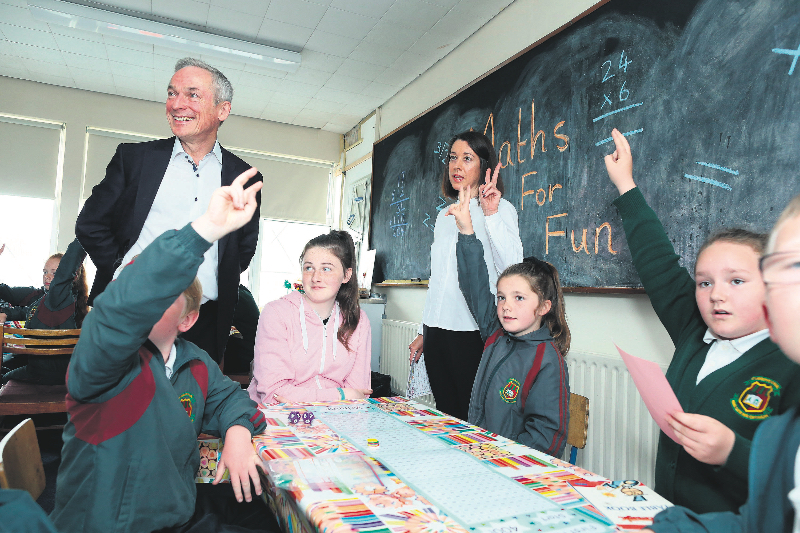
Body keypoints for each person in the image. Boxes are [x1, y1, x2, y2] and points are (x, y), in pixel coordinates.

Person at [51, 171, 270, 533]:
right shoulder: (105, 361)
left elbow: (233, 399)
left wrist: (237, 432)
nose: (145, 299)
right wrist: (205, 230)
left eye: (162, 295)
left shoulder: (195, 361)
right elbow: (121, 309)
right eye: (141, 290)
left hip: (176, 516)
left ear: (188, 319)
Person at [603, 128, 800, 514]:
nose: (716, 295)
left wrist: (732, 452)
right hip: (673, 518)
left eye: (736, 281)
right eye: (704, 282)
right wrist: (626, 184)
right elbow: (657, 261)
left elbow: (791, 478)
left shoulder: (789, 363)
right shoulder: (695, 329)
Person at [75, 57, 263, 364]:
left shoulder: (244, 177)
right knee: (117, 393)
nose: (177, 104)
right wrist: (124, 270)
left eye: (192, 94)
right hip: (130, 309)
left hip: (204, 321)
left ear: (222, 110)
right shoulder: (134, 159)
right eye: (172, 93)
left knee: (194, 395)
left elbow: (241, 251)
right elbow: (90, 223)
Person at [408, 131, 523, 421]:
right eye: (453, 158)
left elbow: (513, 268)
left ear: (484, 166)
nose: (457, 165)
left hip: (472, 332)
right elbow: (438, 281)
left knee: (472, 421)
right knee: (446, 417)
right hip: (437, 332)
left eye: (467, 158)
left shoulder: (500, 208)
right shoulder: (443, 216)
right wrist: (424, 329)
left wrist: (491, 214)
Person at [448, 183, 570, 455]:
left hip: (512, 467)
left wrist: (500, 456)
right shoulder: (496, 332)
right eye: (502, 297)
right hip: (479, 454)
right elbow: (475, 283)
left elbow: (546, 438)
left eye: (519, 298)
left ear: (544, 306)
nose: (506, 306)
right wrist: (466, 230)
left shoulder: (548, 361)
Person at [248, 230, 372, 405]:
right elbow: (273, 395)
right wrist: (341, 394)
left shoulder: (358, 320)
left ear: (346, 275)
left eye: (326, 269)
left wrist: (298, 397)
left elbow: (359, 395)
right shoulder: (276, 313)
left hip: (335, 416)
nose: (315, 277)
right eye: (309, 268)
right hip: (278, 415)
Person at [1, 238, 88, 385]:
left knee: (2, 379)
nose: (47, 276)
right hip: (42, 368)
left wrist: (86, 233)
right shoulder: (47, 300)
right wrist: (7, 313)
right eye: (45, 272)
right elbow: (30, 311)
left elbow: (71, 260)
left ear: (70, 276)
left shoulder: (59, 297)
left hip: (46, 374)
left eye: (55, 273)